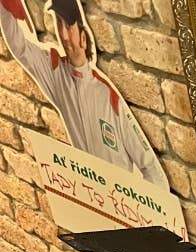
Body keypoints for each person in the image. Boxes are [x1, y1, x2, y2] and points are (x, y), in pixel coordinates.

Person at [0, 0, 166, 185]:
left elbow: (151, 168)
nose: (63, 35)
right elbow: (21, 48)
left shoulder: (108, 97)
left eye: (68, 26)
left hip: (119, 196)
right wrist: (7, 7)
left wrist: (138, 201)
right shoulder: (56, 73)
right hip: (88, 192)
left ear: (84, 38)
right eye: (59, 23)